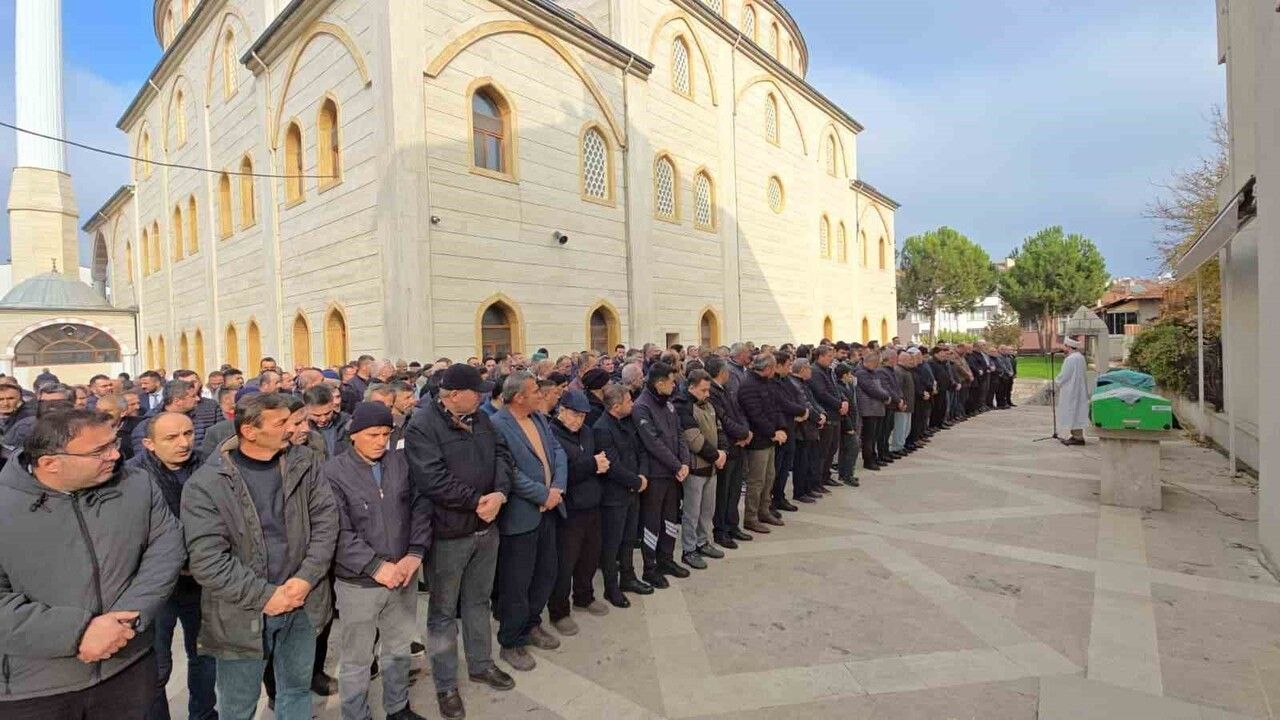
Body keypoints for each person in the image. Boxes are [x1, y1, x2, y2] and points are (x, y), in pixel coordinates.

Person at [0, 408, 185, 720]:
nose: (115, 454)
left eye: (113, 443)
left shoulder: (136, 484)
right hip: (34, 687)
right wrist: (80, 632)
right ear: (50, 463)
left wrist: (123, 623)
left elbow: (165, 550)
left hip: (128, 667)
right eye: (100, 450)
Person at [182, 392, 339, 720]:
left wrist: (305, 578)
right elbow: (208, 561)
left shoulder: (304, 462)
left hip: (302, 602)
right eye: (281, 423)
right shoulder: (206, 484)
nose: (292, 428)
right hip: (243, 612)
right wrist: (267, 596)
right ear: (250, 432)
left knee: (296, 691)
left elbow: (326, 523)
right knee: (238, 705)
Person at [404, 363, 515, 720]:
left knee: (478, 601)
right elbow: (431, 478)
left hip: (487, 527)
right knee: (443, 613)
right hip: (450, 533)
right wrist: (475, 502)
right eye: (475, 390)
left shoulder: (480, 418)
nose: (483, 395)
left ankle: (481, 664)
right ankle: (446, 684)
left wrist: (498, 493)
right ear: (453, 395)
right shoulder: (423, 425)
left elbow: (502, 455)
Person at [324, 402, 431, 720]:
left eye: (386, 434)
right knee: (357, 658)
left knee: (398, 650)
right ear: (354, 434)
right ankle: (356, 714)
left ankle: (398, 708)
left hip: (402, 575)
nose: (380, 441)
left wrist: (415, 553)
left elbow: (420, 507)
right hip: (359, 583)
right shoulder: (332, 472)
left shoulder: (401, 463)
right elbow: (336, 530)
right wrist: (375, 566)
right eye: (373, 434)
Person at [127, 413, 217, 720]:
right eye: (171, 438)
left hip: (203, 581)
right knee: (155, 664)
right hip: (155, 587)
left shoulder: (211, 465)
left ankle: (204, 715)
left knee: (204, 657)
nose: (184, 442)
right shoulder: (131, 477)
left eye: (188, 433)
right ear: (149, 444)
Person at [490, 372, 568, 671]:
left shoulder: (538, 419)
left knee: (545, 572)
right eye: (536, 390)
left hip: (549, 508)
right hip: (522, 516)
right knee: (516, 583)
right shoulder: (498, 425)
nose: (542, 394)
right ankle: (512, 640)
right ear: (519, 397)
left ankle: (533, 623)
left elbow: (557, 451)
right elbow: (507, 471)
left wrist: (557, 489)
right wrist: (542, 495)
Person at [547, 390, 611, 636]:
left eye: (583, 416)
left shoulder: (587, 431)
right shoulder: (553, 434)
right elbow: (563, 473)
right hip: (569, 509)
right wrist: (593, 465)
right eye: (574, 415)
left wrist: (597, 465)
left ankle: (584, 596)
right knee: (565, 562)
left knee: (590, 556)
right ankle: (559, 611)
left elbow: (595, 460)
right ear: (561, 410)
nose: (578, 421)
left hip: (592, 503)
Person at [631, 362, 691, 588]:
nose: (675, 384)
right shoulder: (642, 407)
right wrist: (677, 465)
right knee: (652, 522)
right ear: (659, 383)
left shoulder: (669, 405)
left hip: (674, 474)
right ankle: (650, 568)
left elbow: (679, 434)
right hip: (656, 476)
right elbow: (653, 443)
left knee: (670, 520)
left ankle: (667, 559)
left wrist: (684, 462)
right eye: (671, 381)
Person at [592, 383, 651, 607]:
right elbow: (612, 465)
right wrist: (636, 482)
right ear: (616, 406)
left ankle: (628, 577)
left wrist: (642, 476)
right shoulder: (602, 428)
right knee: (612, 544)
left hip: (633, 491)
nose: (632, 403)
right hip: (614, 497)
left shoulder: (627, 422)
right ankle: (611, 587)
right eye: (628, 401)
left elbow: (641, 451)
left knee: (628, 539)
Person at [674, 369, 726, 570]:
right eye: (703, 390)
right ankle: (689, 549)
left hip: (712, 467)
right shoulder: (683, 407)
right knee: (691, 512)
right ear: (691, 387)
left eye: (708, 389)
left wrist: (723, 452)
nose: (707, 394)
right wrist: (716, 456)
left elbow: (719, 428)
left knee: (707, 510)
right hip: (696, 469)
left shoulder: (709, 405)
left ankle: (703, 542)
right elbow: (694, 439)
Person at [704, 356, 751, 548]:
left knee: (734, 490)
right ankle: (721, 530)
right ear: (722, 372)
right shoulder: (713, 392)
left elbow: (738, 412)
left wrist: (746, 432)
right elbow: (722, 419)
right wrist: (742, 433)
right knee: (723, 492)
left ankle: (733, 525)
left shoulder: (725, 389)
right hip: (727, 446)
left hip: (738, 444)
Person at [737, 353, 785, 534]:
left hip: (769, 439)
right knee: (756, 481)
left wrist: (781, 428)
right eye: (773, 368)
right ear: (767, 369)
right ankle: (751, 517)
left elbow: (775, 407)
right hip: (758, 441)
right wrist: (773, 432)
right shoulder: (749, 385)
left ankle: (764, 510)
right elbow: (755, 415)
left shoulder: (767, 383)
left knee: (769, 477)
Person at [854, 352, 891, 471]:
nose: (877, 366)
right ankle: (868, 460)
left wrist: (886, 395)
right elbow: (871, 389)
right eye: (876, 363)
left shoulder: (873, 372)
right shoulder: (861, 373)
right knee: (869, 437)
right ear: (870, 362)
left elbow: (880, 388)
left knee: (875, 436)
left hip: (877, 408)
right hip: (868, 410)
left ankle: (874, 457)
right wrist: (886, 397)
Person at [1055, 337, 1090, 446]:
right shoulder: (1080, 357)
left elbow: (1065, 375)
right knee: (1077, 412)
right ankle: (1076, 435)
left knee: (1072, 412)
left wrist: (1056, 382)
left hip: (1071, 390)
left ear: (1069, 347)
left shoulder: (1070, 359)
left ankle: (1077, 437)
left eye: (1065, 346)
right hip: (1079, 389)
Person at [305, 384, 351, 459]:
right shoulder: (302, 430)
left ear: (332, 404)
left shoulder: (347, 423)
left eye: (327, 413)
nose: (323, 419)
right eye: (317, 415)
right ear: (306, 409)